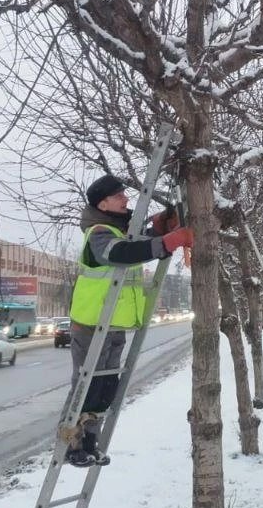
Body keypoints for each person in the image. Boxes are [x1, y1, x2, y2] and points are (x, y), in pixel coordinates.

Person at [62, 173, 192, 467]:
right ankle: (73, 444)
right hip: (92, 323)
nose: (126, 200)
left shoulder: (118, 230)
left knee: (106, 387)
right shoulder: (98, 233)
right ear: (104, 203)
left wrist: (159, 229)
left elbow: (137, 241)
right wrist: (168, 241)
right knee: (86, 386)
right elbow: (121, 253)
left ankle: (91, 443)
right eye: (119, 196)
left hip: (113, 323)